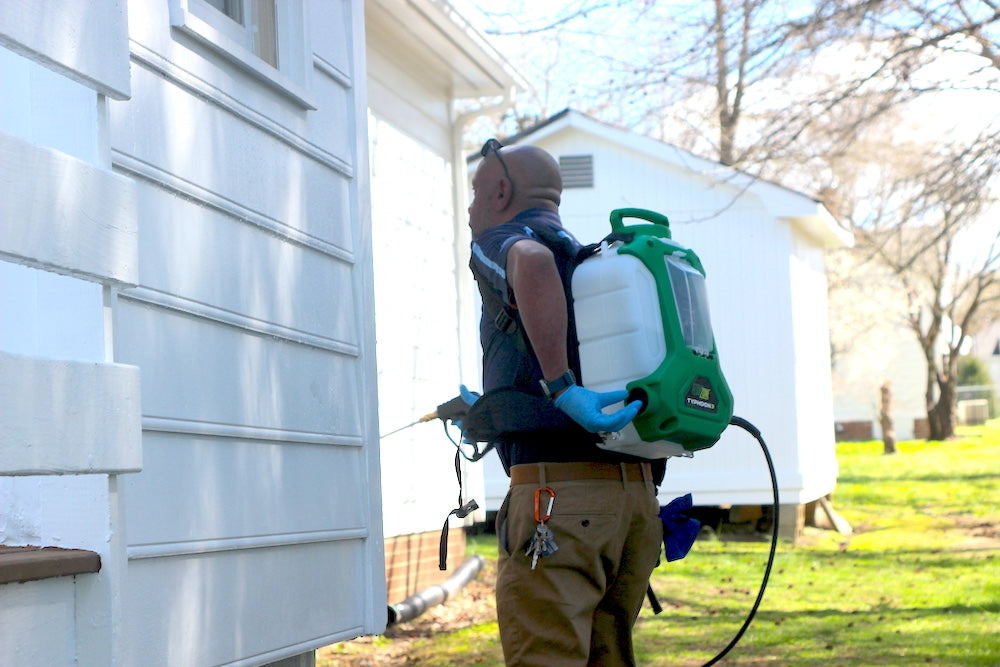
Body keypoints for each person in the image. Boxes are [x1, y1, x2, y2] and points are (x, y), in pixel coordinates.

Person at [467, 138, 665, 667]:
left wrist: (559, 387)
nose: (469, 208)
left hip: (560, 504)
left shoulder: (504, 238)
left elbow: (527, 263)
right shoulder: (589, 264)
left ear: (502, 192)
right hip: (633, 510)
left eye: (475, 192)